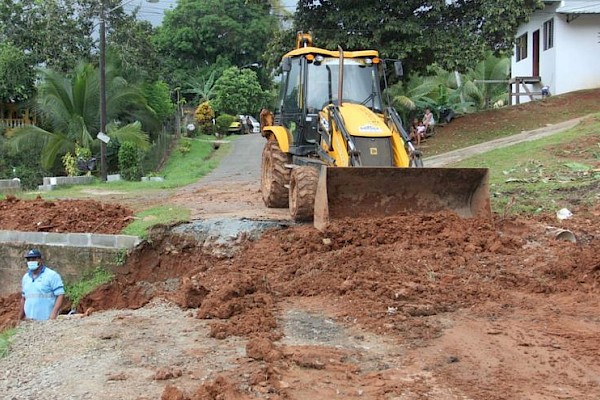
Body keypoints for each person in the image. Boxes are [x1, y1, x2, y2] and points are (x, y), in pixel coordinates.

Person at [19, 249, 65, 321]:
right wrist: (20, 318)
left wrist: (53, 314)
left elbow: (60, 295)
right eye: (29, 260)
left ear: (40, 260)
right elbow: (24, 298)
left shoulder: (52, 275)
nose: (31, 262)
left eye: (34, 259)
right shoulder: (26, 277)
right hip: (29, 321)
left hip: (46, 320)